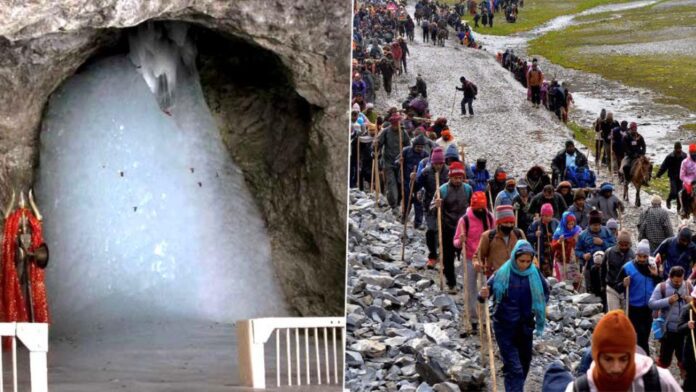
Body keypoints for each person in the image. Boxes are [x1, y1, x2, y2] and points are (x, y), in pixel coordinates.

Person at [479, 240, 550, 392]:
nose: (524, 265)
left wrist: (538, 306)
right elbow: (485, 294)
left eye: (528, 261)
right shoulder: (503, 272)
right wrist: (482, 294)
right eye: (521, 261)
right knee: (514, 368)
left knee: (525, 363)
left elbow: (545, 292)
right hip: (504, 326)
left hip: (525, 326)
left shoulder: (535, 273)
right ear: (514, 258)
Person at [565, 310, 681, 391]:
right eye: (608, 359)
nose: (616, 368)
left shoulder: (660, 382)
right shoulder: (579, 389)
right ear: (596, 356)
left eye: (623, 359)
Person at [454, 191, 495, 332]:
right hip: (470, 258)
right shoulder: (464, 220)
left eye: (482, 208)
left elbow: (494, 234)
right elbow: (455, 242)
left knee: (484, 289)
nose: (480, 211)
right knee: (470, 289)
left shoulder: (489, 217)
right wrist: (461, 241)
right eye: (478, 208)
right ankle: (473, 319)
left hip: (485, 259)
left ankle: (485, 319)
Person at [615, 239, 662, 355]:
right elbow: (617, 286)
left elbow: (660, 285)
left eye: (644, 257)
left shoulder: (652, 267)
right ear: (636, 255)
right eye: (639, 256)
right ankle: (645, 358)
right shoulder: (627, 268)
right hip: (633, 308)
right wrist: (623, 284)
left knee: (645, 335)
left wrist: (656, 275)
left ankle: (640, 356)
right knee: (639, 335)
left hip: (648, 308)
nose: (641, 259)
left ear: (648, 256)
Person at [433, 161, 472, 293]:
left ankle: (468, 282)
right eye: (455, 178)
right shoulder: (442, 190)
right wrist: (436, 205)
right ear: (450, 177)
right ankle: (451, 283)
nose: (457, 180)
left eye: (460, 178)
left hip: (463, 228)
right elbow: (431, 209)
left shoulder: (467, 189)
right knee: (448, 256)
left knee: (466, 255)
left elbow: (472, 208)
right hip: (447, 227)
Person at [649, 266, 692, 372]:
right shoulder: (662, 287)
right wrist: (668, 301)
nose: (678, 283)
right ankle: (660, 381)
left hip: (684, 330)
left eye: (680, 281)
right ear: (670, 277)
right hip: (668, 331)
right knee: (664, 360)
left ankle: (686, 384)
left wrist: (691, 301)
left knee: (685, 361)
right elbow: (651, 304)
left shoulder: (688, 285)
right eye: (676, 281)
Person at [415, 147, 448, 269]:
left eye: (440, 164)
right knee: (431, 230)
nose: (438, 166)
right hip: (429, 205)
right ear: (432, 162)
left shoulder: (448, 173)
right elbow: (416, 187)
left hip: (445, 207)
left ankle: (444, 256)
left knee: (445, 231)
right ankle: (432, 256)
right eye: (436, 164)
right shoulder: (426, 172)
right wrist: (413, 180)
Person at [475, 205, 526, 276]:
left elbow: (528, 252)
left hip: (515, 276)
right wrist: (477, 263)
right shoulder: (488, 237)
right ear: (499, 223)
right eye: (506, 223)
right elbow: (478, 256)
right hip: (495, 277)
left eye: (511, 223)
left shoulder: (518, 234)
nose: (509, 225)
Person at [376, 114, 411, 214]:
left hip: (400, 163)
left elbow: (408, 147)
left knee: (400, 183)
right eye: (395, 124)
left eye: (398, 124)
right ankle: (393, 205)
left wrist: (405, 157)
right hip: (388, 162)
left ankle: (399, 202)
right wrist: (375, 147)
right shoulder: (386, 131)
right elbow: (378, 143)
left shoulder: (403, 133)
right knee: (391, 183)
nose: (396, 126)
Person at [576, 210, 616, 289]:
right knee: (591, 288)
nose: (597, 227)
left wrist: (603, 243)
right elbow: (577, 250)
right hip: (589, 266)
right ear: (590, 224)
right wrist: (583, 255)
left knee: (605, 287)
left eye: (598, 225)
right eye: (594, 225)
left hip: (605, 266)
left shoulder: (607, 232)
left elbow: (614, 246)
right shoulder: (583, 235)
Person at [401, 134, 430, 228]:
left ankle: (418, 223)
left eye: (421, 147)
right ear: (414, 145)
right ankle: (404, 218)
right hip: (406, 181)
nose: (419, 148)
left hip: (419, 182)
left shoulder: (425, 155)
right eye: (418, 147)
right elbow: (396, 162)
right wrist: (399, 162)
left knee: (418, 201)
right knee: (407, 200)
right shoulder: (406, 151)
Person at [601, 231, 634, 312]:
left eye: (626, 245)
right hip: (612, 287)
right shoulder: (609, 252)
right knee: (614, 314)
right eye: (621, 245)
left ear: (629, 244)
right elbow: (603, 269)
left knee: (625, 315)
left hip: (625, 289)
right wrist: (602, 285)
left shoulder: (632, 255)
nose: (623, 247)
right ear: (617, 243)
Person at [527, 203, 559, 277]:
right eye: (545, 216)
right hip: (541, 254)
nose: (547, 218)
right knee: (543, 273)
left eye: (549, 216)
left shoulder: (556, 223)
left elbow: (560, 233)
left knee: (555, 273)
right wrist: (535, 234)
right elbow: (528, 236)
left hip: (553, 253)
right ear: (542, 215)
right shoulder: (536, 224)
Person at [551, 211, 582, 286]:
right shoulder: (559, 233)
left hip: (572, 260)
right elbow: (553, 247)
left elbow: (579, 244)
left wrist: (577, 238)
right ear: (564, 223)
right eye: (569, 224)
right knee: (562, 282)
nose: (571, 226)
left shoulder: (577, 230)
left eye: (572, 224)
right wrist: (559, 241)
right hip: (561, 260)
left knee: (575, 281)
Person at [656, 142, 686, 210]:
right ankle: (668, 200)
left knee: (680, 193)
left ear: (681, 148)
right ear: (675, 149)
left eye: (680, 149)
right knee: (674, 192)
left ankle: (679, 209)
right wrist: (658, 174)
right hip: (672, 177)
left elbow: (688, 166)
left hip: (681, 178)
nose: (678, 151)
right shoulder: (669, 157)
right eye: (677, 149)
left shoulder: (684, 156)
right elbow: (664, 166)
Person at [678, 293, 696, 390]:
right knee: (690, 380)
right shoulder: (687, 309)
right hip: (691, 350)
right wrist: (687, 326)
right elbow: (679, 328)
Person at [679, 144, 696, 218]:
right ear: (689, 152)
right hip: (689, 182)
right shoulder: (685, 162)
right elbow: (682, 176)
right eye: (692, 152)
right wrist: (690, 181)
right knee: (683, 193)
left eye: (695, 152)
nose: (694, 154)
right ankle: (685, 210)